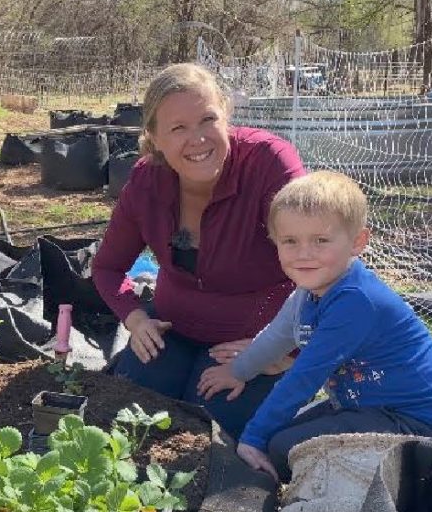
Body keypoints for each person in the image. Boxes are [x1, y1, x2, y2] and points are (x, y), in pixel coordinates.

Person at [198, 171, 432, 480]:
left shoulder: (355, 301)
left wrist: (253, 440)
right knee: (281, 435)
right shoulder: (308, 292)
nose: (304, 254)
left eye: (321, 240)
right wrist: (238, 371)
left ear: (358, 242)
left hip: (419, 424)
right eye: (290, 241)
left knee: (283, 447)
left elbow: (303, 378)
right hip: (365, 407)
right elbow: (277, 336)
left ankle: (397, 482)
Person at [91, 63, 307, 437]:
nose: (198, 139)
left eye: (208, 119)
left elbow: (327, 271)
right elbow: (108, 268)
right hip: (173, 328)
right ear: (154, 138)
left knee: (209, 431)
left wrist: (285, 352)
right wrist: (135, 319)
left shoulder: (270, 165)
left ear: (227, 116)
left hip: (254, 339)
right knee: (132, 415)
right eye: (178, 128)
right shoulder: (145, 181)